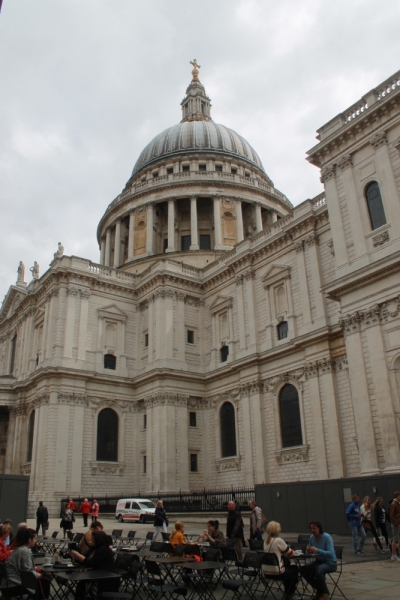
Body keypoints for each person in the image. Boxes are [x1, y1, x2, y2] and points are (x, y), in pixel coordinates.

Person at [70, 531, 119, 599]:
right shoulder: (93, 548)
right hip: (96, 573)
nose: (91, 540)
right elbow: (86, 560)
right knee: (81, 584)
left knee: (83, 584)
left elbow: (92, 563)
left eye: (93, 538)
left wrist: (78, 556)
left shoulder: (103, 549)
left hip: (107, 575)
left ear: (98, 539)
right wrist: (76, 558)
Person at [6, 527, 50, 599]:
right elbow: (30, 574)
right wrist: (42, 575)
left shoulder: (17, 549)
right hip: (15, 585)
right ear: (30, 540)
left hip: (9, 583)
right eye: (35, 538)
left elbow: (24, 568)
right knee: (45, 579)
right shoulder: (25, 551)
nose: (36, 541)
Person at [299, 520, 337, 600]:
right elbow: (310, 548)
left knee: (318, 570)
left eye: (314, 528)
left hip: (330, 562)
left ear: (319, 528)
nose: (312, 530)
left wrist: (317, 550)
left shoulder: (327, 537)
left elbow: (331, 553)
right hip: (318, 561)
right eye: (311, 529)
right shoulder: (312, 537)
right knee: (303, 569)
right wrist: (308, 550)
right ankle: (319, 589)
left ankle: (324, 592)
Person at [263, 521, 299, 600]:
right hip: (277, 572)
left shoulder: (265, 541)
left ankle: (288, 592)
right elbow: (290, 553)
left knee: (288, 571)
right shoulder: (278, 540)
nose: (280, 530)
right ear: (276, 530)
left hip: (266, 572)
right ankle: (291, 592)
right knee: (294, 569)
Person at [389, 490, 400, 562]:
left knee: (398, 538)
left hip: (398, 523)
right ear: (397, 496)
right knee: (395, 539)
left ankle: (397, 553)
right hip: (396, 524)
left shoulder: (398, 504)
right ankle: (394, 555)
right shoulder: (394, 504)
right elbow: (391, 515)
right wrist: (396, 523)